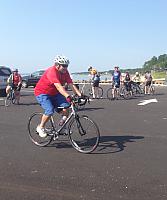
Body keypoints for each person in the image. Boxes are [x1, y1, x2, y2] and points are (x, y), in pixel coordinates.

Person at [34, 55, 82, 138]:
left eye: (67, 66)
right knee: (49, 110)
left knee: (67, 106)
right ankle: (40, 127)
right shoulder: (51, 72)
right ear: (57, 65)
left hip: (54, 93)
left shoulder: (65, 72)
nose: (65, 68)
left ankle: (62, 127)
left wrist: (80, 95)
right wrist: (68, 96)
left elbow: (71, 84)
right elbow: (59, 86)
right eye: (64, 66)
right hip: (42, 93)